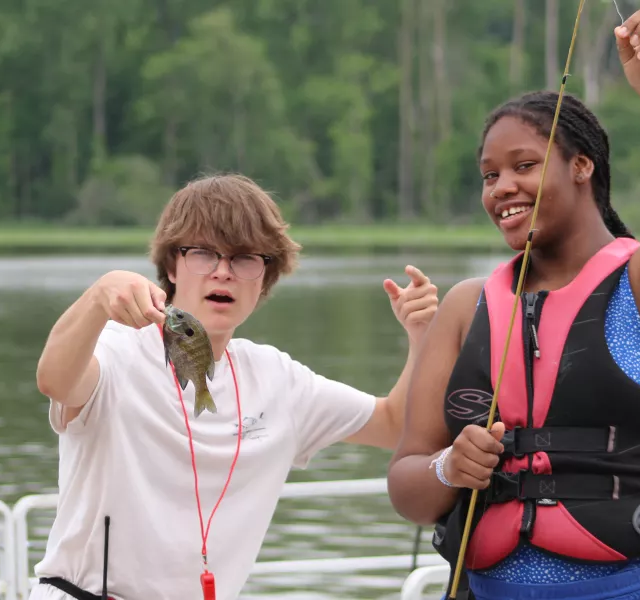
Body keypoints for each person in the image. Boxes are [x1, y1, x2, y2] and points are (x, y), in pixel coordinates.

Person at [386, 8, 640, 600]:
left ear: (581, 166)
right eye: (489, 175)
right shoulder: (468, 307)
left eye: (524, 166)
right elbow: (407, 485)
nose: (502, 189)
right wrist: (449, 467)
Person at [29, 173, 440, 600]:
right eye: (204, 254)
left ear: (265, 276)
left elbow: (396, 424)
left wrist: (422, 337)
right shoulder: (118, 349)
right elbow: (55, 379)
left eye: (245, 258)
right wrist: (98, 297)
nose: (223, 272)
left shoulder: (277, 378)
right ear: (172, 265)